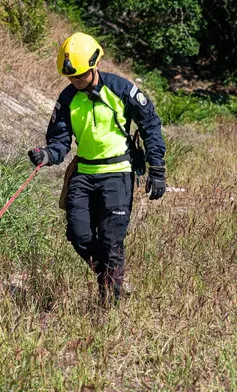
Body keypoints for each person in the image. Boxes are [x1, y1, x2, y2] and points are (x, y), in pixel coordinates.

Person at [28, 32, 166, 304]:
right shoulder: (68, 98)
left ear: (94, 66)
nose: (75, 82)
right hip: (84, 173)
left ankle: (110, 307)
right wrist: (46, 155)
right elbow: (59, 141)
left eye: (80, 76)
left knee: (110, 242)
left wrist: (157, 169)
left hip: (118, 173)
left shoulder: (122, 89)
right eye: (71, 78)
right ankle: (109, 276)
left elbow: (150, 125)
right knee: (78, 234)